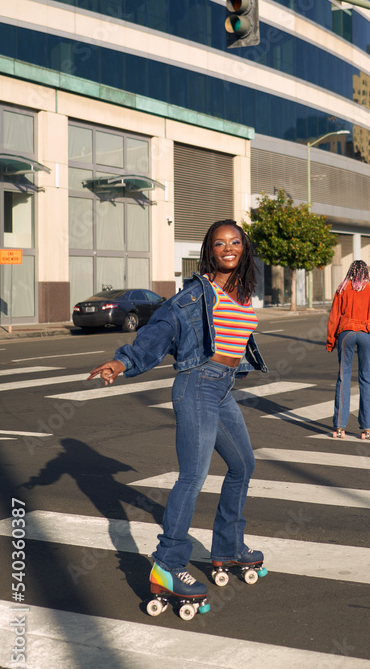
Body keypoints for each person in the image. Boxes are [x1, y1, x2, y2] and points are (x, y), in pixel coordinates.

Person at [88, 219, 268, 610]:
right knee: (193, 475)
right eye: (219, 244)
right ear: (210, 251)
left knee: (243, 465)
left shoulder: (241, 292)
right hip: (197, 385)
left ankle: (228, 545)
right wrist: (123, 362)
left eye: (235, 242)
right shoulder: (195, 294)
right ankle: (167, 563)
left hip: (222, 388)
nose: (228, 248)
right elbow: (162, 327)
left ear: (244, 248)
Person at [326, 260, 370, 440]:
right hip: (367, 334)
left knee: (343, 378)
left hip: (347, 334)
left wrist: (331, 341)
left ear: (351, 273)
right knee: (366, 377)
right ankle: (366, 429)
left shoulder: (342, 289)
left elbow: (334, 317)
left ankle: (339, 428)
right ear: (366, 273)